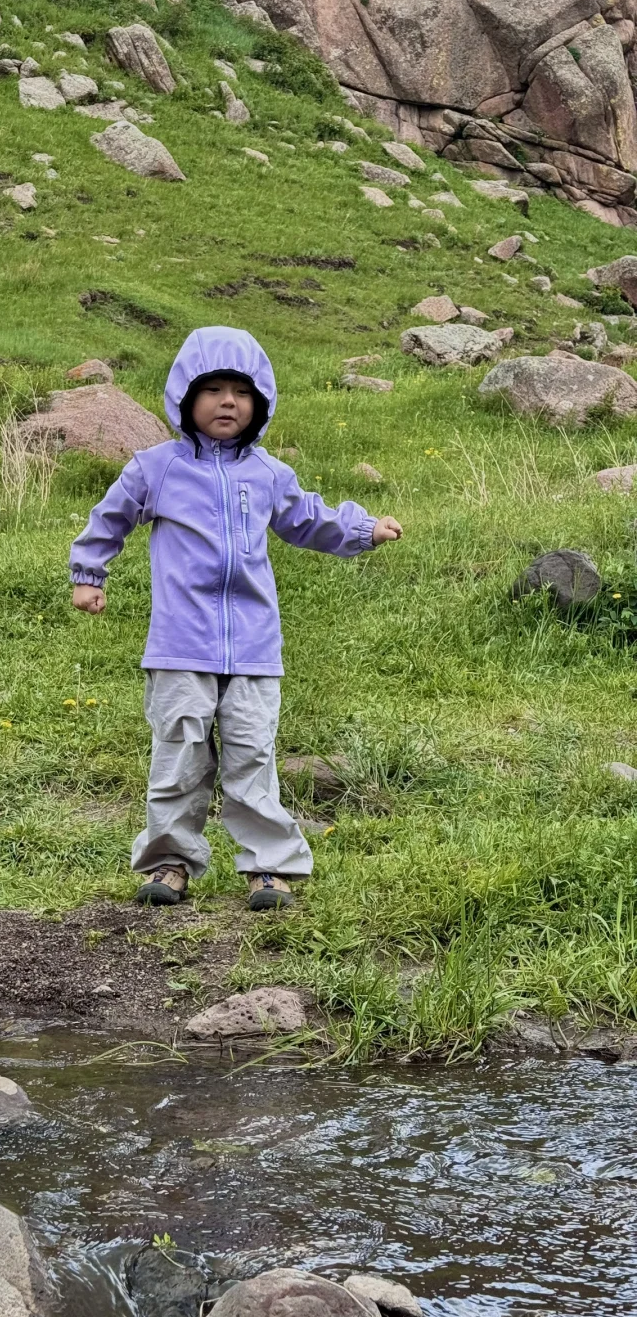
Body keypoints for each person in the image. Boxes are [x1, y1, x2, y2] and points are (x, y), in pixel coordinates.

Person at [68, 326, 402, 911]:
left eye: (242, 393)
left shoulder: (267, 473)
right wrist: (88, 573)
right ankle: (169, 864)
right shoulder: (158, 468)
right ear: (184, 398)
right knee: (179, 758)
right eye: (214, 389)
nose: (229, 402)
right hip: (179, 646)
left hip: (252, 646)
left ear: (261, 404)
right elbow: (110, 516)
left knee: (253, 757)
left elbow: (306, 520)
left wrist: (359, 529)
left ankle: (268, 868)